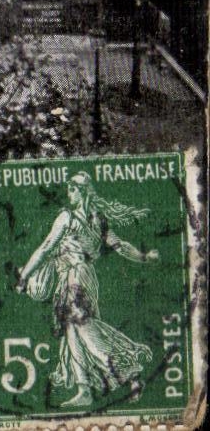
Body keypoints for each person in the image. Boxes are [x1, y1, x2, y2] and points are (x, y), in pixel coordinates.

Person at [16, 173, 158, 410]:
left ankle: (129, 373)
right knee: (74, 332)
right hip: (84, 278)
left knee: (84, 328)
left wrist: (24, 276)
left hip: (75, 277)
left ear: (79, 191)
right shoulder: (98, 220)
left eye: (71, 190)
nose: (68, 194)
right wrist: (143, 257)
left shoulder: (67, 217)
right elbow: (120, 246)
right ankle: (84, 390)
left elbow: (44, 248)